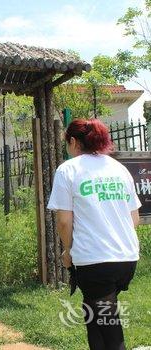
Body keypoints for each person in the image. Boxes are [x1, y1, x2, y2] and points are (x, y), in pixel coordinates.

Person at [48, 118, 140, 350]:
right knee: (94, 314)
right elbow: (134, 218)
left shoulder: (68, 169)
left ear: (73, 141)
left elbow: (63, 221)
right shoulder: (118, 168)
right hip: (127, 259)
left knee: (109, 327)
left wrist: (69, 251)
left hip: (95, 262)